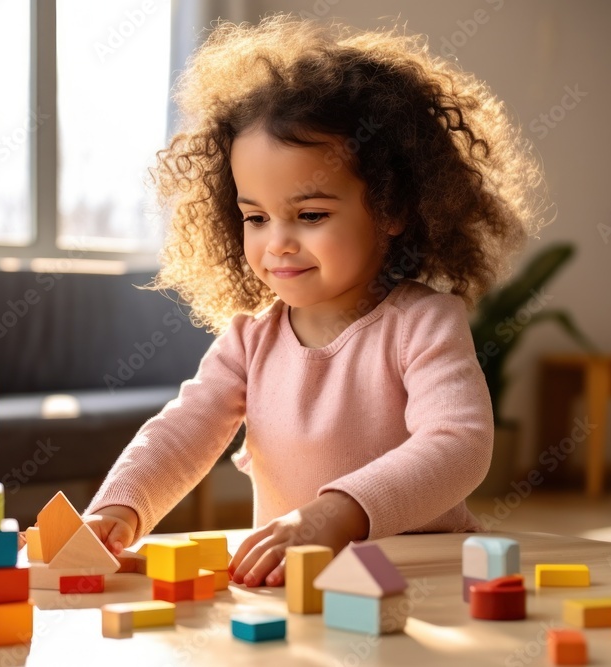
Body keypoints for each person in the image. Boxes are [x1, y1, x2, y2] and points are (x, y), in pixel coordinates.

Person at [80, 14, 549, 587]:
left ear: (392, 207)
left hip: (421, 578)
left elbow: (459, 447)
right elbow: (182, 432)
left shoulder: (423, 323)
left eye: (310, 215)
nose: (276, 241)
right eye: (255, 217)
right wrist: (119, 508)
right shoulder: (249, 340)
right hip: (298, 585)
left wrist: (336, 513)